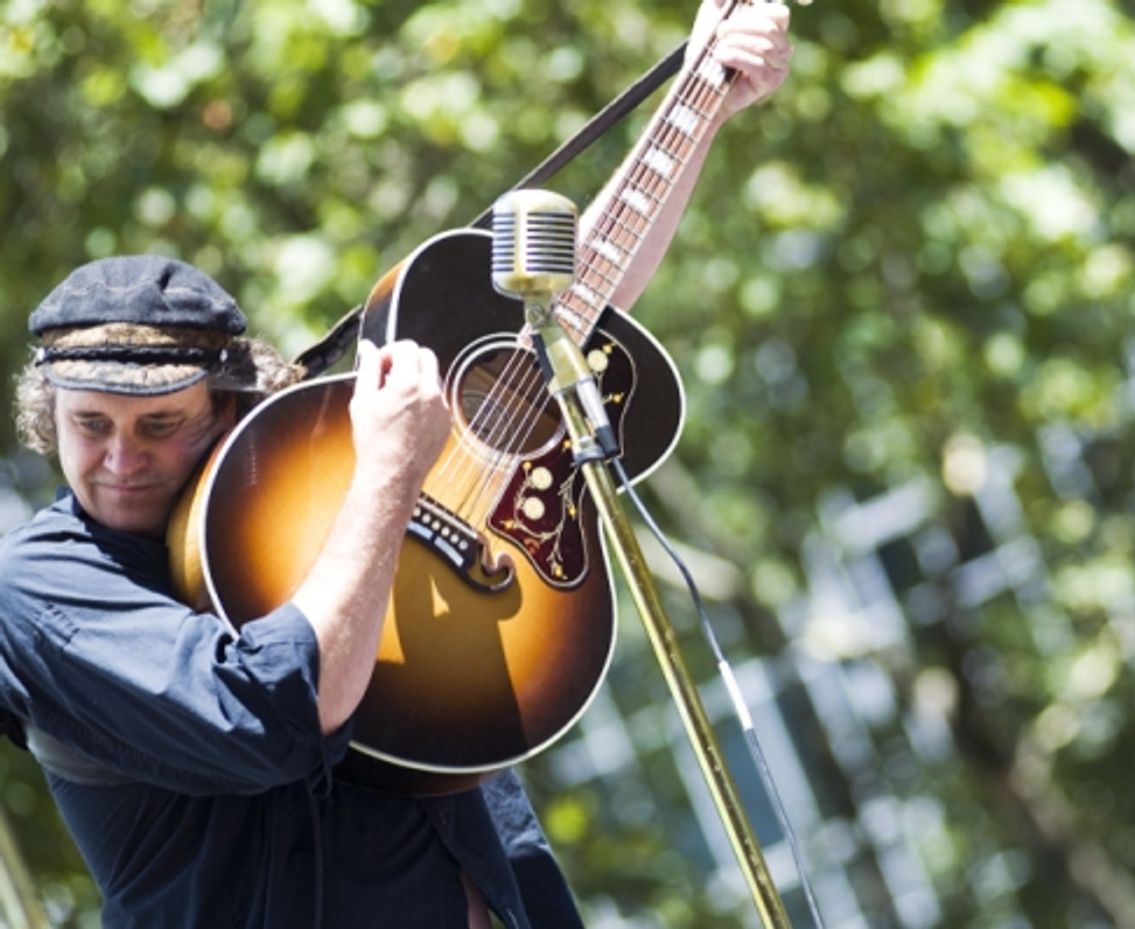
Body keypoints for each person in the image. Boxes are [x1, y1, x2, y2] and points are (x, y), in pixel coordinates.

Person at [0, 3, 792, 926]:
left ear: (224, 409)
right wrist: (388, 474)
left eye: (160, 424)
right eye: (89, 424)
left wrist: (701, 100)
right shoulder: (42, 587)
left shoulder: (282, 470)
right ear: (45, 416)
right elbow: (279, 713)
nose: (120, 458)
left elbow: (558, 329)